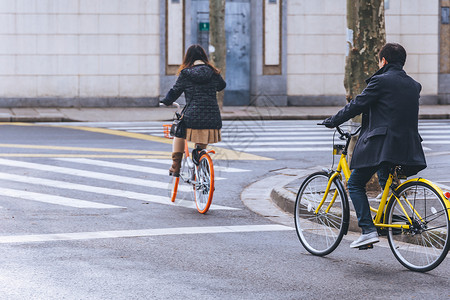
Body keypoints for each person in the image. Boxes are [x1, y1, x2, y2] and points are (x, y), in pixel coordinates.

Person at [322, 43, 427, 248]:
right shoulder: (414, 85)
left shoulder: (380, 80)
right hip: (407, 146)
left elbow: (357, 104)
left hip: (383, 144)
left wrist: (333, 120)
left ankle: (368, 230)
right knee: (384, 176)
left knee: (354, 184)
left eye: (379, 60)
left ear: (384, 61)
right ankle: (384, 216)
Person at [161, 44, 226, 176]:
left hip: (192, 115)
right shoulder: (213, 72)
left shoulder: (186, 73)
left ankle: (176, 166)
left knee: (178, 131)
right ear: (204, 57)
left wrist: (166, 101)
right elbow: (221, 86)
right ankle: (200, 157)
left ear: (188, 58)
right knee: (202, 138)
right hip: (212, 117)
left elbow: (175, 91)